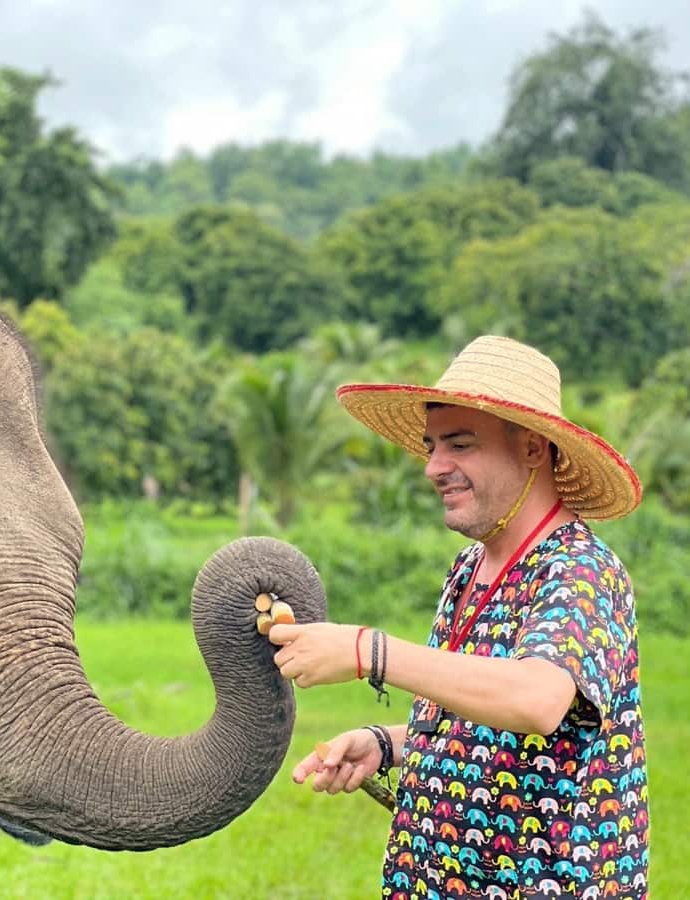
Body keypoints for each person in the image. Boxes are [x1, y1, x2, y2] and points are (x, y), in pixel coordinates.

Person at [269, 335, 648, 899]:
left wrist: (365, 651)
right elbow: (492, 731)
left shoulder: (579, 570)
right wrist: (391, 744)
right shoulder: (471, 568)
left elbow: (537, 700)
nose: (434, 468)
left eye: (460, 444)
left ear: (532, 449)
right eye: (431, 446)